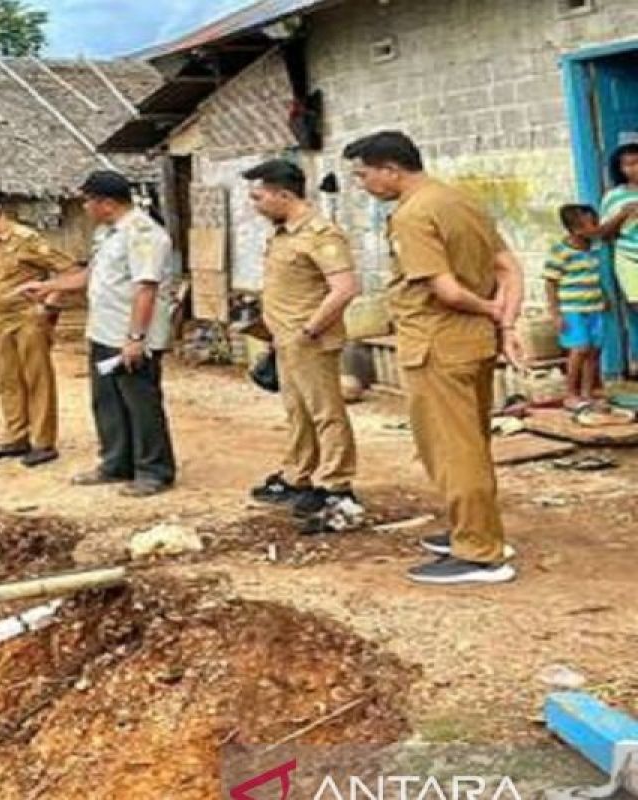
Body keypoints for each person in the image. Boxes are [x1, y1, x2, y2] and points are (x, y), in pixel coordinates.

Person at [343, 130, 525, 586]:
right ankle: (477, 531)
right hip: (473, 344)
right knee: (470, 443)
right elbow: (509, 267)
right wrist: (504, 322)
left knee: (450, 450)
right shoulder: (459, 200)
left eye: (364, 174)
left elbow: (444, 291)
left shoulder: (413, 215)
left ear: (391, 169)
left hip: (437, 344)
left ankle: (480, 553)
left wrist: (488, 309)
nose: (363, 184)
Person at [16, 170, 177, 498]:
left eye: (88, 200)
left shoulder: (144, 233)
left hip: (129, 335)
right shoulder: (109, 234)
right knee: (108, 401)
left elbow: (145, 288)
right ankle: (116, 462)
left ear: (106, 203)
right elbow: (92, 275)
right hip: (104, 331)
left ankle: (154, 471)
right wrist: (48, 286)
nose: (85, 207)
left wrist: (135, 338)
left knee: (140, 402)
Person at [242, 160, 362, 533]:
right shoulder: (283, 233)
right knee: (298, 411)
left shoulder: (320, 234)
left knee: (326, 412)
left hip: (310, 339)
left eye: (258, 197)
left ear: (283, 194)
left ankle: (337, 486)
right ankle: (299, 475)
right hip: (287, 340)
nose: (254, 205)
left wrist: (309, 330)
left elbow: (345, 289)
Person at [0, 195, 79, 467]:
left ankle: (43, 441)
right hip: (1, 319)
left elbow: (69, 270)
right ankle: (16, 436)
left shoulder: (26, 239)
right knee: (8, 379)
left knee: (36, 378)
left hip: (28, 318)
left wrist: (48, 306)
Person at [544, 205, 606, 408]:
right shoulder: (560, 252)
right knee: (579, 350)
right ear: (576, 230)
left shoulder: (595, 248)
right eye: (592, 225)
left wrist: (604, 298)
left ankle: (587, 393)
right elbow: (550, 283)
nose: (597, 228)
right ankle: (571, 393)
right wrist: (556, 314)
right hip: (573, 310)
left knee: (594, 350)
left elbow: (597, 277)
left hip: (595, 308)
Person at [599, 143, 638, 310]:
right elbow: (604, 234)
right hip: (630, 258)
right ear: (620, 169)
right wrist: (622, 215)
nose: (635, 168)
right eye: (629, 164)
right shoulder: (614, 197)